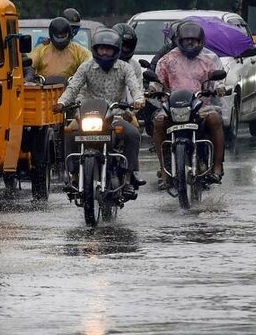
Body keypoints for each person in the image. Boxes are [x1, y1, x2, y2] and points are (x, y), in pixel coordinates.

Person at [54, 28, 146, 200]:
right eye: (101, 48)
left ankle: (127, 178)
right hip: (90, 115)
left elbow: (135, 87)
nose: (104, 52)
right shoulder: (86, 67)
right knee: (69, 131)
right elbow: (73, 88)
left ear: (116, 50)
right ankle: (73, 176)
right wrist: (61, 102)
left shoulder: (125, 68)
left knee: (133, 133)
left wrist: (139, 99)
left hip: (115, 116)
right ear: (95, 49)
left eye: (108, 49)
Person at [153, 20, 227, 186]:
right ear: (179, 41)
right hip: (173, 107)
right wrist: (153, 88)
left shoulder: (209, 60)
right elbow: (157, 81)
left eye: (193, 40)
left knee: (215, 119)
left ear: (200, 42)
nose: (190, 43)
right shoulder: (167, 60)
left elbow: (218, 80)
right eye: (186, 40)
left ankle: (217, 166)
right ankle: (164, 170)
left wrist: (220, 88)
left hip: (201, 106)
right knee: (158, 123)